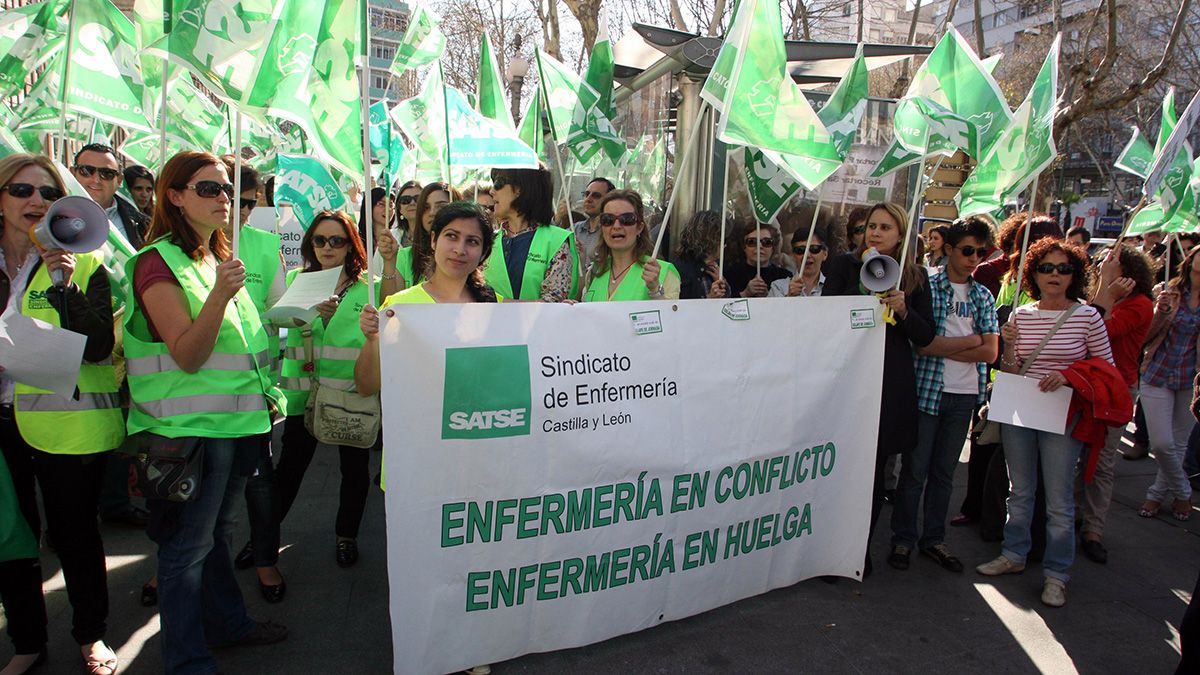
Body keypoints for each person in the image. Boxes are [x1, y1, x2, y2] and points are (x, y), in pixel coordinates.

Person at [124, 151, 287, 674]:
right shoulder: (157, 262)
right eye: (210, 189)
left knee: (214, 537)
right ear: (174, 196)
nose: (225, 199)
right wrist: (220, 293)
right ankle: (187, 660)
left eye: (228, 190)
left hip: (236, 426)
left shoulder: (214, 256)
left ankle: (227, 625)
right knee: (184, 551)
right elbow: (189, 354)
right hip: (187, 435)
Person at [0, 154, 123, 675]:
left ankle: (90, 635)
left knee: (75, 535)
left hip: (65, 426)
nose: (36, 202)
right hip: (3, 423)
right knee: (11, 536)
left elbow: (97, 347)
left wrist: (63, 286)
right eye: (22, 190)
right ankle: (27, 641)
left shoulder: (87, 257)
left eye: (48, 194)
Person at [978, 239, 1113, 608]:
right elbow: (1008, 371)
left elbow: (1106, 369)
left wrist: (1069, 376)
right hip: (1023, 411)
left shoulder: (1087, 317)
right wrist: (1007, 345)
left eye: (1063, 268)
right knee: (1019, 491)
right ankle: (1014, 554)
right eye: (1047, 268)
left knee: (1058, 501)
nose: (1055, 275)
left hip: (1063, 416)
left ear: (1075, 275)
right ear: (1033, 273)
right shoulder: (1021, 315)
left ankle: (1057, 574)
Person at [824, 202, 935, 576]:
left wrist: (903, 308)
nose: (875, 232)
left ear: (900, 235)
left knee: (871, 472)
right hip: (848, 378)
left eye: (886, 227)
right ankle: (829, 548)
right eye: (872, 225)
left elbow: (926, 335)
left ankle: (858, 550)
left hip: (888, 383)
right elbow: (825, 315)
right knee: (839, 468)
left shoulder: (915, 277)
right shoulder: (843, 265)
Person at [889, 217, 998, 573]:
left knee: (944, 475)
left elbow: (990, 353)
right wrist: (970, 341)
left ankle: (933, 539)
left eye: (981, 253)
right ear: (949, 249)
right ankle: (902, 540)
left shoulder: (983, 294)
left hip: (964, 396)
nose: (974, 258)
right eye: (967, 250)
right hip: (927, 393)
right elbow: (923, 345)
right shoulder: (926, 285)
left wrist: (945, 346)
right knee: (914, 472)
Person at [271, 211, 376, 569]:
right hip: (303, 395)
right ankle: (264, 539)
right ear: (308, 243)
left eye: (337, 240)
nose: (327, 248)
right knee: (289, 469)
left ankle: (347, 536)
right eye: (319, 240)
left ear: (351, 246)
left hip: (350, 394)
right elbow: (277, 318)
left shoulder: (368, 288)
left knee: (354, 469)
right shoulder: (296, 279)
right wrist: (313, 312)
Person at [357, 201, 499, 395]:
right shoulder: (399, 307)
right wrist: (374, 341)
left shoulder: (497, 307)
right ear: (433, 240)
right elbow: (366, 387)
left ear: (484, 253)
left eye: (472, 241)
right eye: (451, 236)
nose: (460, 249)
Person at [1075, 244, 1154, 563]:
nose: (1103, 266)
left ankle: (1093, 530)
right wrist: (1104, 290)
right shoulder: (1106, 295)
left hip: (1116, 389)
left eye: (1111, 264)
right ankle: (1074, 514)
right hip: (1087, 385)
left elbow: (1099, 330)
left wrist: (1105, 291)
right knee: (1076, 456)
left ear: (1128, 274)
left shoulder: (1140, 304)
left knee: (1101, 461)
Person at [1138, 244, 1200, 523]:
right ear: (1190, 261)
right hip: (1157, 373)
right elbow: (1146, 337)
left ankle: (1155, 494)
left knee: (1179, 444)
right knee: (1162, 444)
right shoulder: (1170, 292)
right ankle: (1183, 493)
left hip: (1191, 378)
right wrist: (1160, 312)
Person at [485, 166, 579, 302]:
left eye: (498, 183)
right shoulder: (487, 241)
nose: (492, 191)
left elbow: (554, 303)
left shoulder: (557, 241)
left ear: (521, 190)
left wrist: (501, 304)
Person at [581, 190, 679, 301]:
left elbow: (671, 316)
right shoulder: (595, 272)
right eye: (608, 219)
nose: (616, 226)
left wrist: (655, 290)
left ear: (639, 228)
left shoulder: (663, 272)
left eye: (626, 219)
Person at [387, 182, 462, 295]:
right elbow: (389, 308)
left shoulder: (467, 253)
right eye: (426, 207)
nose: (432, 213)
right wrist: (389, 262)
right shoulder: (404, 257)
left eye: (441, 206)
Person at [72, 143, 149, 248]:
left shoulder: (144, 225)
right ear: (73, 173)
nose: (96, 180)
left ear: (119, 180)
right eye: (87, 171)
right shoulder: (53, 218)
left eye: (107, 173)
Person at [722, 221, 791, 298]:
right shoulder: (729, 275)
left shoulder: (784, 276)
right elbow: (723, 305)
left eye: (767, 242)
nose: (759, 246)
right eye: (752, 242)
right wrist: (745, 293)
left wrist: (769, 295)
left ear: (773, 248)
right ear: (744, 246)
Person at [769, 222, 833, 297]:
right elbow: (772, 309)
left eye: (814, 249)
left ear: (825, 254)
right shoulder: (778, 287)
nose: (807, 255)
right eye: (800, 250)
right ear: (793, 255)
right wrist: (789, 297)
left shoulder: (836, 287)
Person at [672, 211, 724, 300]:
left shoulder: (716, 268)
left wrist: (723, 284)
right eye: (722, 239)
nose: (724, 245)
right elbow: (680, 308)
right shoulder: (681, 270)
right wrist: (709, 300)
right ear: (712, 240)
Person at [573, 177, 615, 266]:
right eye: (586, 194)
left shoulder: (613, 231)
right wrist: (557, 219)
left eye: (596, 196)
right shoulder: (575, 228)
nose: (588, 199)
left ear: (609, 200)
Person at [393, 180, 422, 246]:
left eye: (417, 198)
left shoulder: (436, 235)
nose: (412, 203)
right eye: (405, 200)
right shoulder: (391, 237)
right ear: (400, 209)